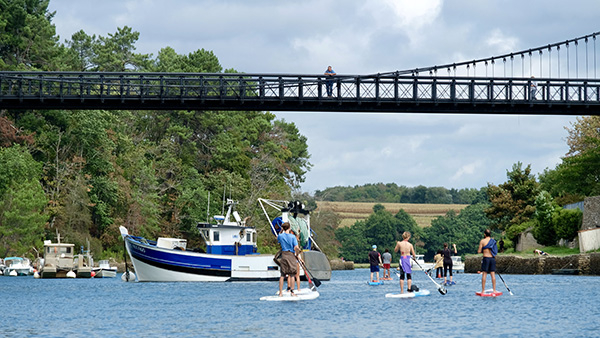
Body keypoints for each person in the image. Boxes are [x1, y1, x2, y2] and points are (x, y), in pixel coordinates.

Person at [277, 222, 300, 296]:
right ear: (289, 228)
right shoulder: (292, 237)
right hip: (291, 255)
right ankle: (292, 292)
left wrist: (281, 230)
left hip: (284, 255)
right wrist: (297, 253)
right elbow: (296, 247)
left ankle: (280, 293)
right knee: (292, 274)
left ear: (283, 228)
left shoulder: (280, 236)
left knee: (282, 274)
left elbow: (278, 237)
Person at [477, 229, 498, 294]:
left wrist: (484, 249)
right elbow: (495, 251)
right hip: (492, 259)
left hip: (486, 258)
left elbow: (479, 251)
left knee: (484, 274)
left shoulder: (482, 241)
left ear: (485, 234)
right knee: (493, 275)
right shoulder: (493, 241)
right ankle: (494, 290)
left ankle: (483, 291)